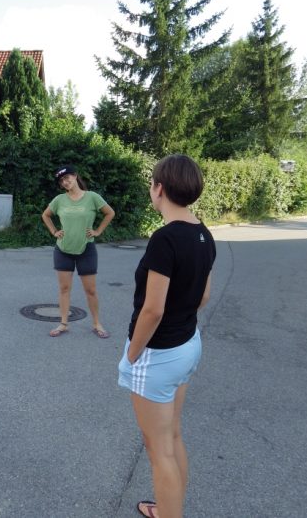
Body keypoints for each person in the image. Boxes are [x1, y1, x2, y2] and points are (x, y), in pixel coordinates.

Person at [117, 154, 215, 518]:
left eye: (152, 183)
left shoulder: (165, 238)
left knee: (159, 451)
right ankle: (169, 509)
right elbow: (203, 296)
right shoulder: (204, 233)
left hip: (158, 354)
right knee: (171, 438)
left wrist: (133, 353)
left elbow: (153, 310)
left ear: (159, 189)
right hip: (187, 344)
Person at [41, 165, 115, 338]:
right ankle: (63, 324)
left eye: (67, 178)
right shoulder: (59, 200)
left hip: (86, 249)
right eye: (61, 181)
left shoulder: (92, 197)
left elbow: (110, 213)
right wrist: (54, 231)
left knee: (91, 290)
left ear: (75, 176)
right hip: (63, 250)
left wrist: (98, 231)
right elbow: (45, 215)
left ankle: (97, 324)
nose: (65, 182)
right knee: (64, 288)